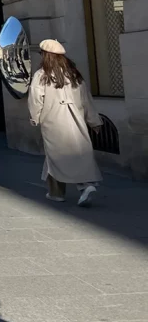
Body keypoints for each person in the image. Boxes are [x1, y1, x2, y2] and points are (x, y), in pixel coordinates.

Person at [28, 39, 103, 206]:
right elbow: (86, 99)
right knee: (78, 152)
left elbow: (35, 99)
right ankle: (73, 188)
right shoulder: (74, 74)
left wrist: (35, 117)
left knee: (56, 156)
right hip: (76, 119)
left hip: (53, 121)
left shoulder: (42, 75)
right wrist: (93, 121)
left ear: (45, 55)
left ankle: (72, 189)